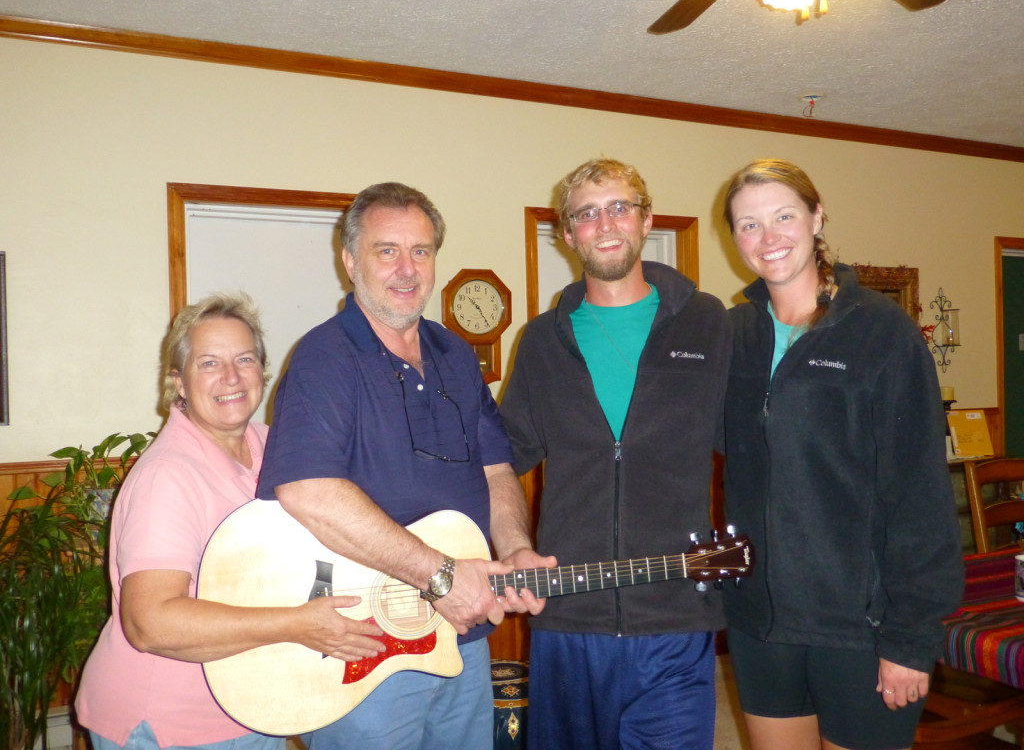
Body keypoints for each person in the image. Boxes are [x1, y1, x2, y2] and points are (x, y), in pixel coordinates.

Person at [254, 181, 551, 750]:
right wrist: (439, 575)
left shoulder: (455, 355)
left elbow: (496, 470)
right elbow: (306, 489)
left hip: (461, 635)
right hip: (367, 650)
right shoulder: (325, 357)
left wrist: (512, 552)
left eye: (421, 251)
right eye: (386, 250)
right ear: (349, 261)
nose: (406, 268)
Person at [720, 158, 964, 750]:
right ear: (734, 238)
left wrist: (909, 640)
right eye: (749, 225)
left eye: (783, 216)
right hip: (763, 622)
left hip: (861, 626)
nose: (769, 237)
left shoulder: (883, 333)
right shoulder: (733, 336)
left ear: (816, 216)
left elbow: (920, 496)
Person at [75, 292, 384, 750]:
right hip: (167, 725)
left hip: (250, 704)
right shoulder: (169, 476)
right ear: (177, 381)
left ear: (263, 370)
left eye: (244, 359)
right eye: (209, 363)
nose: (231, 377)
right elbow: (150, 624)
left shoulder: (273, 445)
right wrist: (296, 624)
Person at [500, 158, 732, 750]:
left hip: (677, 611)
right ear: (567, 233)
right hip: (568, 615)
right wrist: (511, 547)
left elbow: (756, 446)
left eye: (619, 207)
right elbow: (500, 459)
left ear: (645, 219)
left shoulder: (706, 323)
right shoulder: (542, 341)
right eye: (586, 213)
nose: (604, 223)